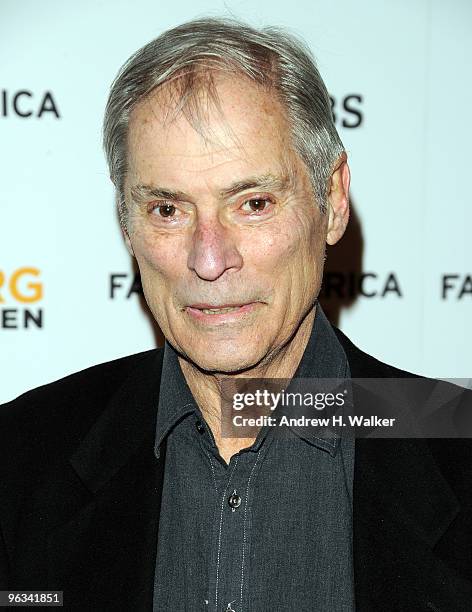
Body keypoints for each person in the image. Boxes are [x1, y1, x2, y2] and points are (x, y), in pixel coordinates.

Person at [1, 16, 471, 612]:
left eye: (252, 203)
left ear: (331, 201)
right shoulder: (19, 460)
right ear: (126, 224)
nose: (208, 258)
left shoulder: (456, 444)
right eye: (168, 209)